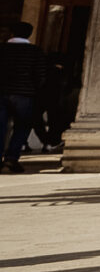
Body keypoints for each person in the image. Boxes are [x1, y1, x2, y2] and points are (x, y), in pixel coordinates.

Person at [0, 20, 45, 174]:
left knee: (1, 126)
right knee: (22, 126)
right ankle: (11, 159)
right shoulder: (35, 51)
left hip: (1, 93)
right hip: (24, 95)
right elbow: (40, 75)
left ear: (11, 33)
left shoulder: (2, 49)